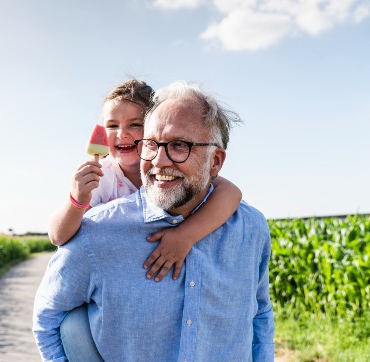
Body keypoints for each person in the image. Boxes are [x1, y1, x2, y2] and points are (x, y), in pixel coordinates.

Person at [33, 81, 275, 361]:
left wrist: (186, 234)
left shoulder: (251, 229)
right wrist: (77, 200)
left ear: (215, 162)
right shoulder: (98, 220)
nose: (160, 160)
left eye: (179, 145)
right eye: (152, 144)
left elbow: (260, 315)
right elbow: (48, 318)